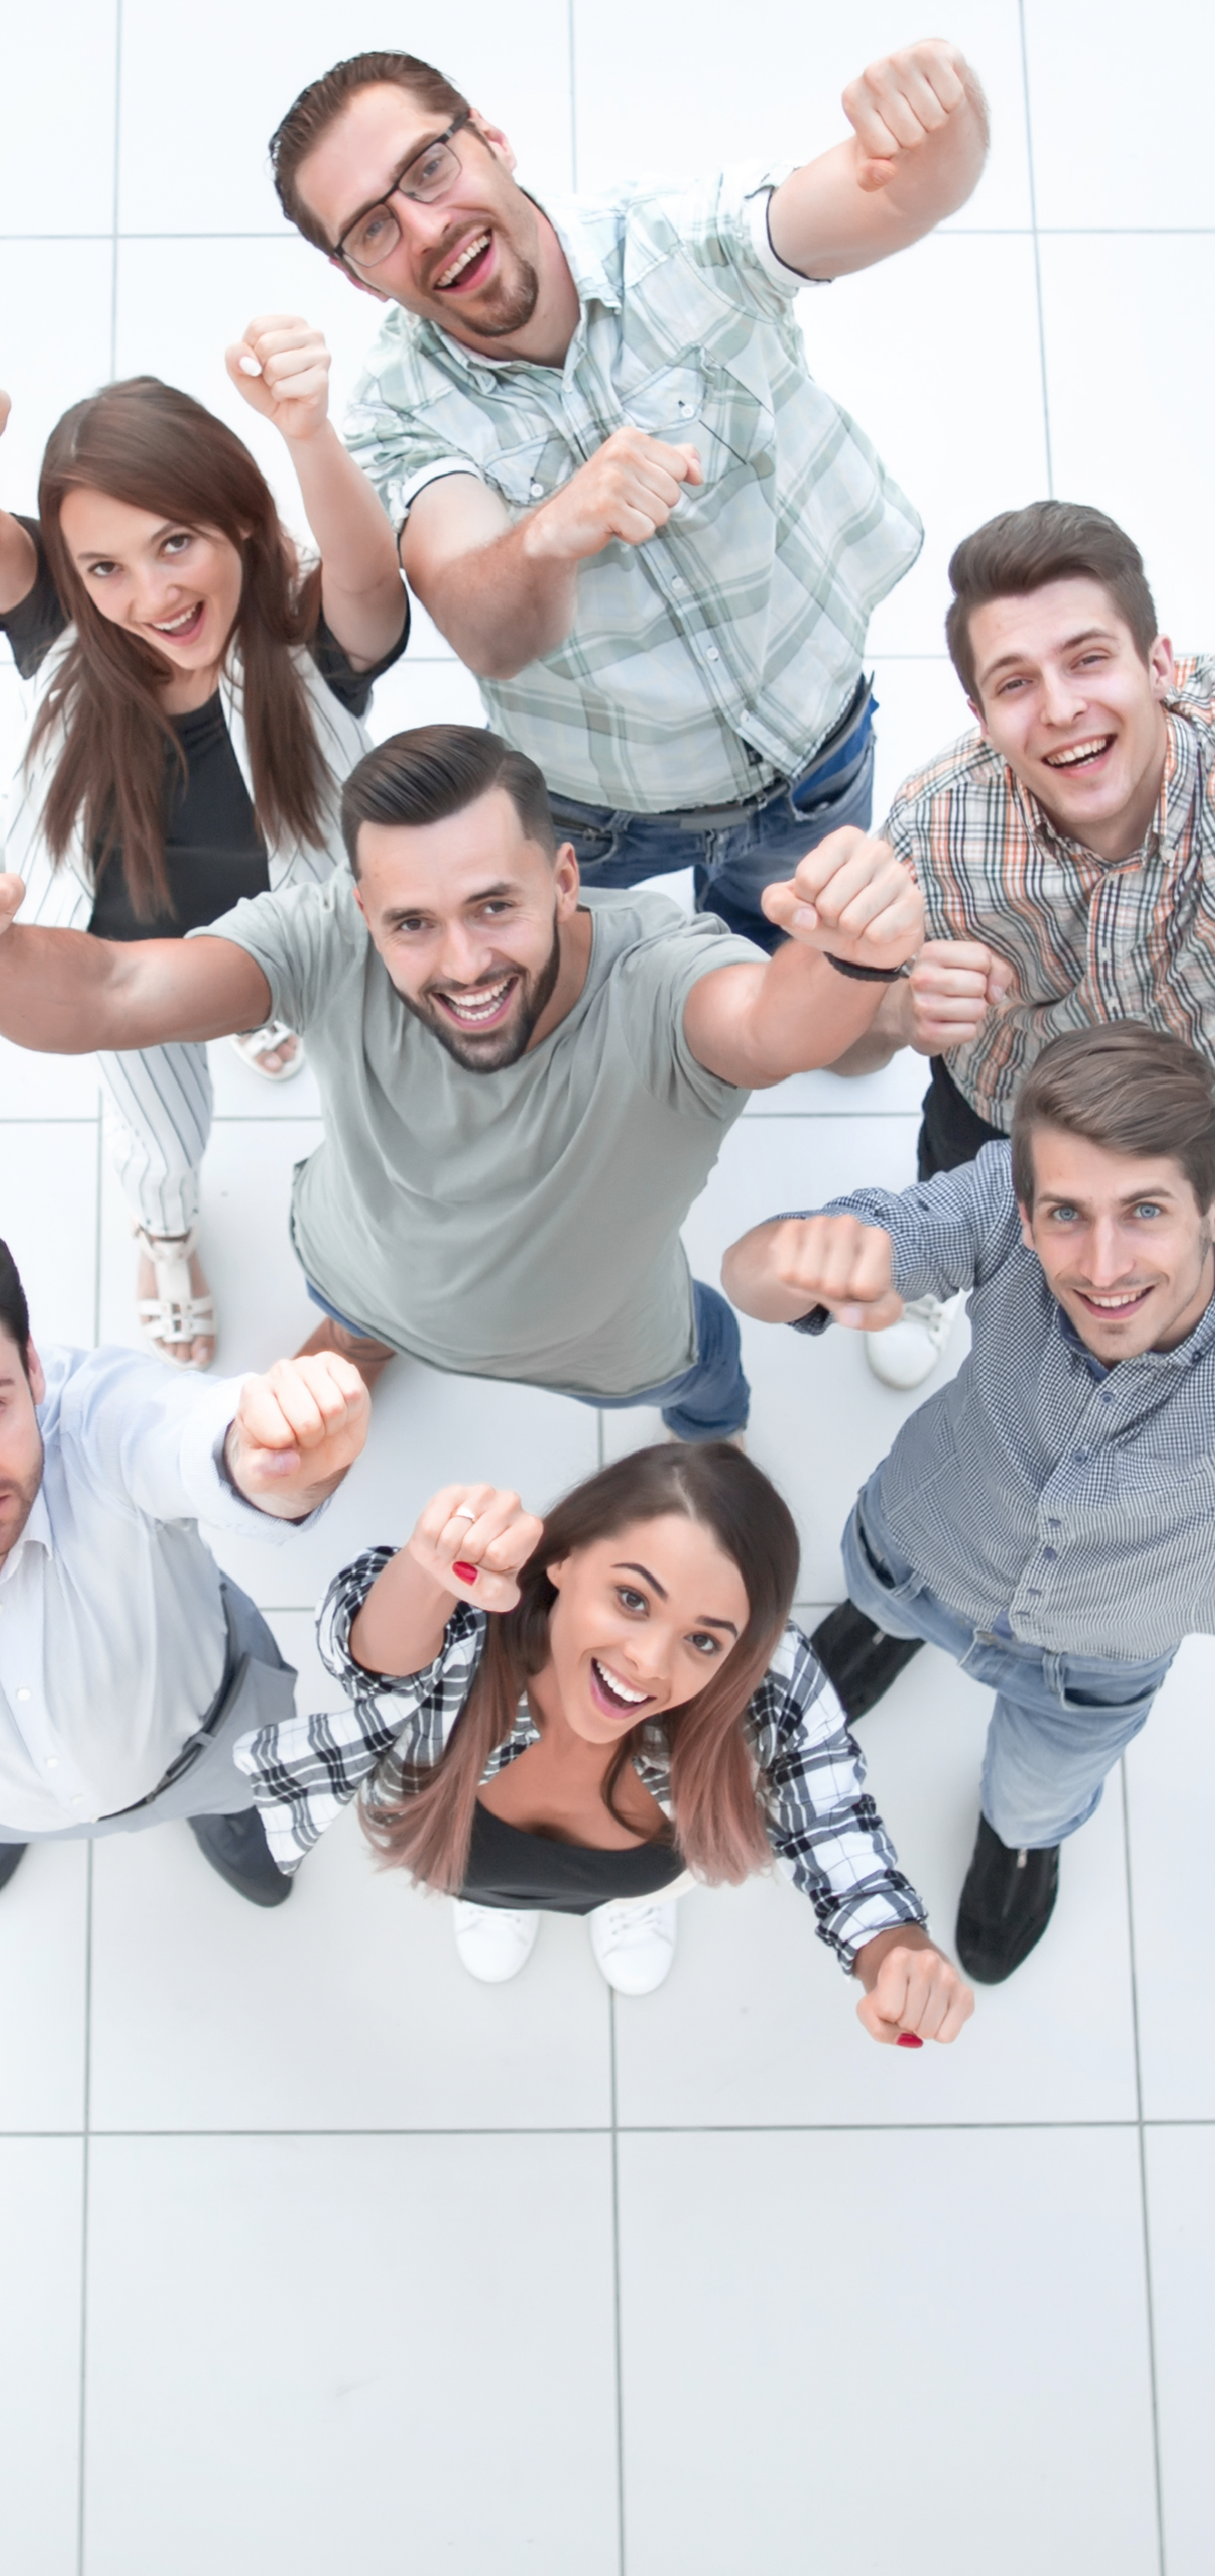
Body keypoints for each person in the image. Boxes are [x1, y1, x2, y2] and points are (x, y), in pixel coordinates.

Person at [265, 35, 989, 950]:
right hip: (598, 809)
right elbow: (489, 632)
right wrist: (551, 532)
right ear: (354, 275)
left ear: (490, 136)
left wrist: (943, 122)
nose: (426, 228)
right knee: (584, 1001)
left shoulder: (676, 236)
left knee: (814, 993)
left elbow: (894, 193)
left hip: (815, 747)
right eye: (373, 228)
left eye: (430, 169)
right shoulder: (395, 414)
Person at [0, 723, 924, 1436]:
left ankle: (709, 1437)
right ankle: (368, 1346)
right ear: (366, 911)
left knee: (707, 1382)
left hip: (609, 1347)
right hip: (358, 1275)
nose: (465, 963)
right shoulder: (329, 935)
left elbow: (770, 1027)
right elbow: (114, 991)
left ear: (564, 879)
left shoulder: (660, 977)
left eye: (493, 906)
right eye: (413, 924)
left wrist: (850, 956)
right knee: (358, 1327)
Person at [722, 1022, 1215, 1986]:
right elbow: (757, 1274)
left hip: (1100, 1658)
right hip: (927, 1545)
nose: (1103, 1265)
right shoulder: (999, 1199)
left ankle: (1021, 1841)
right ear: (1025, 1214)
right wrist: (793, 1262)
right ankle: (881, 1631)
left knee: (1039, 1790)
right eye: (1067, 1214)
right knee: (881, 1598)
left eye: (1145, 1211)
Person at [233, 1434, 973, 2027]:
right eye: (630, 1598)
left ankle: (626, 1912)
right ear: (560, 1559)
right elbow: (369, 1660)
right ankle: (492, 1906)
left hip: (631, 1880)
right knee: (480, 1889)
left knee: (637, 1893)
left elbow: (831, 1821)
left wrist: (892, 1949)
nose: (648, 1662)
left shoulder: (766, 1679)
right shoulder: (467, 1624)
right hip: (465, 1860)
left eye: (704, 1641)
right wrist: (430, 1567)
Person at [0, 319, 407, 1366]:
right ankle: (166, 1237)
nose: (154, 597)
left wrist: (309, 432)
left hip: (287, 934)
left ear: (239, 522)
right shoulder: (68, 633)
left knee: (367, 1077)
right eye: (106, 566)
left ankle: (252, 1015)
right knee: (164, 1146)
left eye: (176, 542)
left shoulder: (301, 638)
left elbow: (370, 583)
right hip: (130, 961)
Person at [831, 496, 1213, 1388]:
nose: (1060, 709)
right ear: (979, 711)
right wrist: (892, 1008)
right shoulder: (931, 830)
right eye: (1014, 683)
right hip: (1002, 1105)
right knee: (949, 1173)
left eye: (1087, 660)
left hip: (1196, 1109)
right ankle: (931, 1281)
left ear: (1158, 663)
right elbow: (841, 1046)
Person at [0, 1234, 369, 1905]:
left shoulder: (89, 1421)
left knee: (243, 1796)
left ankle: (232, 1820)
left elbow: (184, 1438)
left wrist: (267, 1466)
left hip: (212, 1739)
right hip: (13, 1801)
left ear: (31, 1369)